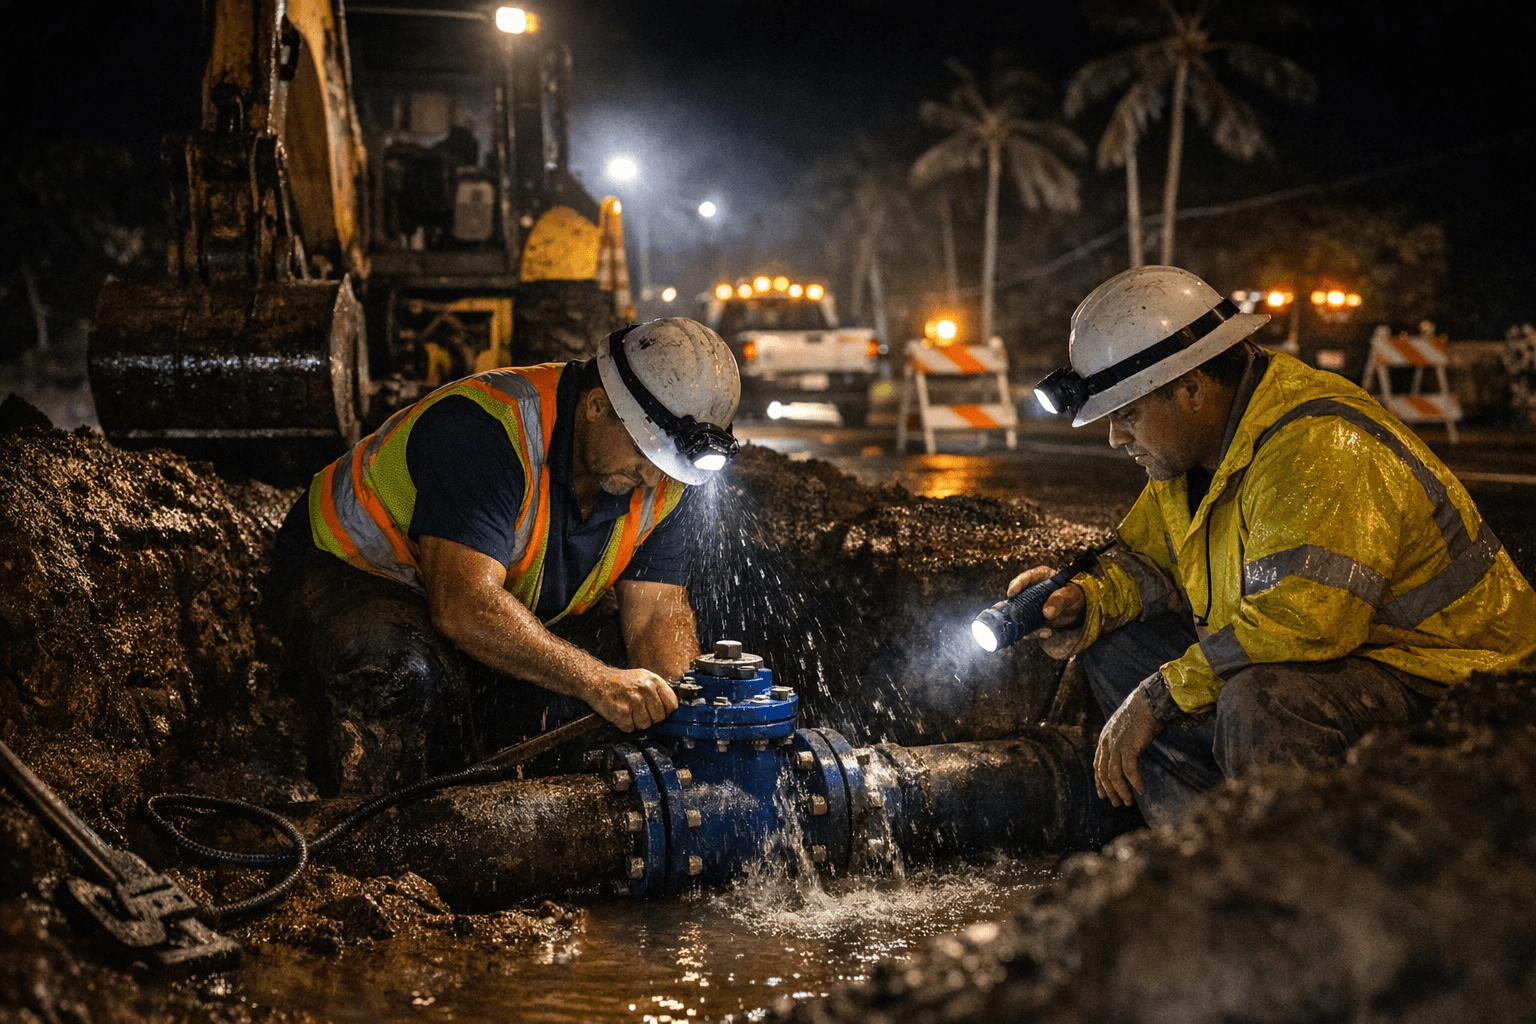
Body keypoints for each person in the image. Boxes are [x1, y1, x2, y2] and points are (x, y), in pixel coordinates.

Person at [1014, 266, 1536, 825]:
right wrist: (1082, 600)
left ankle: (1292, 876)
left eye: (1127, 414)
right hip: (1357, 662)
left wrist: (1157, 697)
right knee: (1114, 644)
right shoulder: (1193, 458)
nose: (1116, 437)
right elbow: (1150, 564)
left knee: (1261, 701)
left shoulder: (1314, 446)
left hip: (1455, 682)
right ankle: (1199, 846)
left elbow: (1305, 624)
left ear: (1190, 388)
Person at [268, 318, 741, 796]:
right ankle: (375, 842)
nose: (652, 479)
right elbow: (463, 604)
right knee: (403, 674)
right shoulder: (487, 428)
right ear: (598, 406)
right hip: (350, 569)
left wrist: (687, 719)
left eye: (667, 468)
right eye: (647, 456)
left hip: (489, 596)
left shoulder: (659, 478)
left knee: (614, 689)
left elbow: (656, 616)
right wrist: (597, 681)